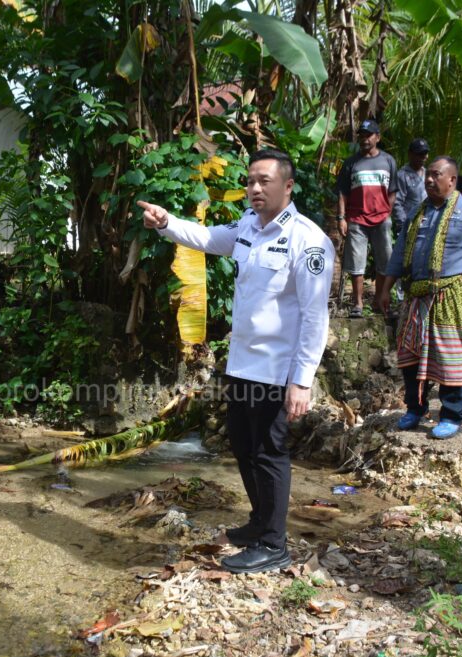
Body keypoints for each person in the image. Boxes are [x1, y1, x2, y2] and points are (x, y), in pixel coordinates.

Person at [137, 149, 334, 574]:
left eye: (264, 181)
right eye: (250, 181)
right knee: (244, 449)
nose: (255, 188)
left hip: (276, 369)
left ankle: (274, 545)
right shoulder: (247, 226)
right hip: (242, 363)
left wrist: (301, 381)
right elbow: (207, 240)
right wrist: (167, 222)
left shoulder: (309, 240)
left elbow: (316, 317)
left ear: (288, 185)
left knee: (268, 452)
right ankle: (258, 524)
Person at [374, 157, 462, 439]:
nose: (429, 180)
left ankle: (452, 414)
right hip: (416, 294)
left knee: (449, 355)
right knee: (410, 354)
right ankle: (415, 409)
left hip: (450, 294)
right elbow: (399, 252)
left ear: (452, 180)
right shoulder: (417, 212)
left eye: (436, 175)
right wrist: (385, 288)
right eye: (427, 176)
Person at [337, 120, 398, 318]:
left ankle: (379, 300)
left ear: (377, 137)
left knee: (385, 261)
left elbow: (392, 191)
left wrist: (387, 212)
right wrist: (341, 218)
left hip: (381, 219)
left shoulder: (388, 161)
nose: (365, 139)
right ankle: (358, 304)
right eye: (362, 135)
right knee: (356, 263)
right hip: (356, 218)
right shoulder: (351, 163)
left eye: (369, 135)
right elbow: (343, 193)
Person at [391, 138, 429, 237]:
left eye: (425, 154)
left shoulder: (428, 174)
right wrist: (404, 224)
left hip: (427, 224)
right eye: (420, 154)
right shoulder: (402, 175)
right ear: (410, 154)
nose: (423, 157)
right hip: (409, 226)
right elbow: (397, 203)